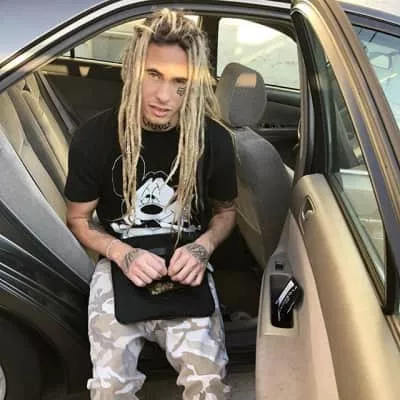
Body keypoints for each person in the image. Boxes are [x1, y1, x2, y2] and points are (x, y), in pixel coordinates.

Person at [65, 8, 237, 400]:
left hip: (187, 261)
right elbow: (78, 219)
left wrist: (202, 248)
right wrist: (123, 254)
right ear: (132, 69)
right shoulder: (93, 138)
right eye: (153, 75)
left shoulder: (214, 140)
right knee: (108, 389)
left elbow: (226, 212)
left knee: (209, 386)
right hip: (119, 260)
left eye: (180, 83)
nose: (163, 97)